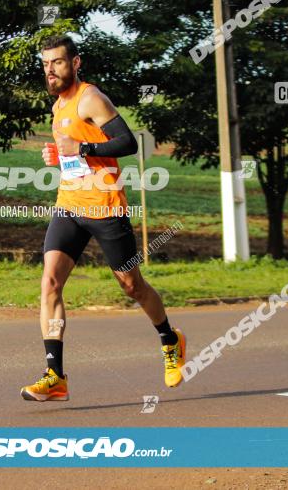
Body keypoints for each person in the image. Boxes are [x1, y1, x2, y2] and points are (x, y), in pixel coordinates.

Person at [20, 35, 186, 402]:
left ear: (75, 63)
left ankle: (169, 339)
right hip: (69, 205)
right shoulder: (58, 106)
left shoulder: (90, 98)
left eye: (58, 63)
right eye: (46, 64)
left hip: (105, 207)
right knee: (50, 282)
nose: (50, 70)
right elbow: (75, 155)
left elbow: (128, 143)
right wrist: (60, 158)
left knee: (132, 286)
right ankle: (55, 375)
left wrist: (81, 148)